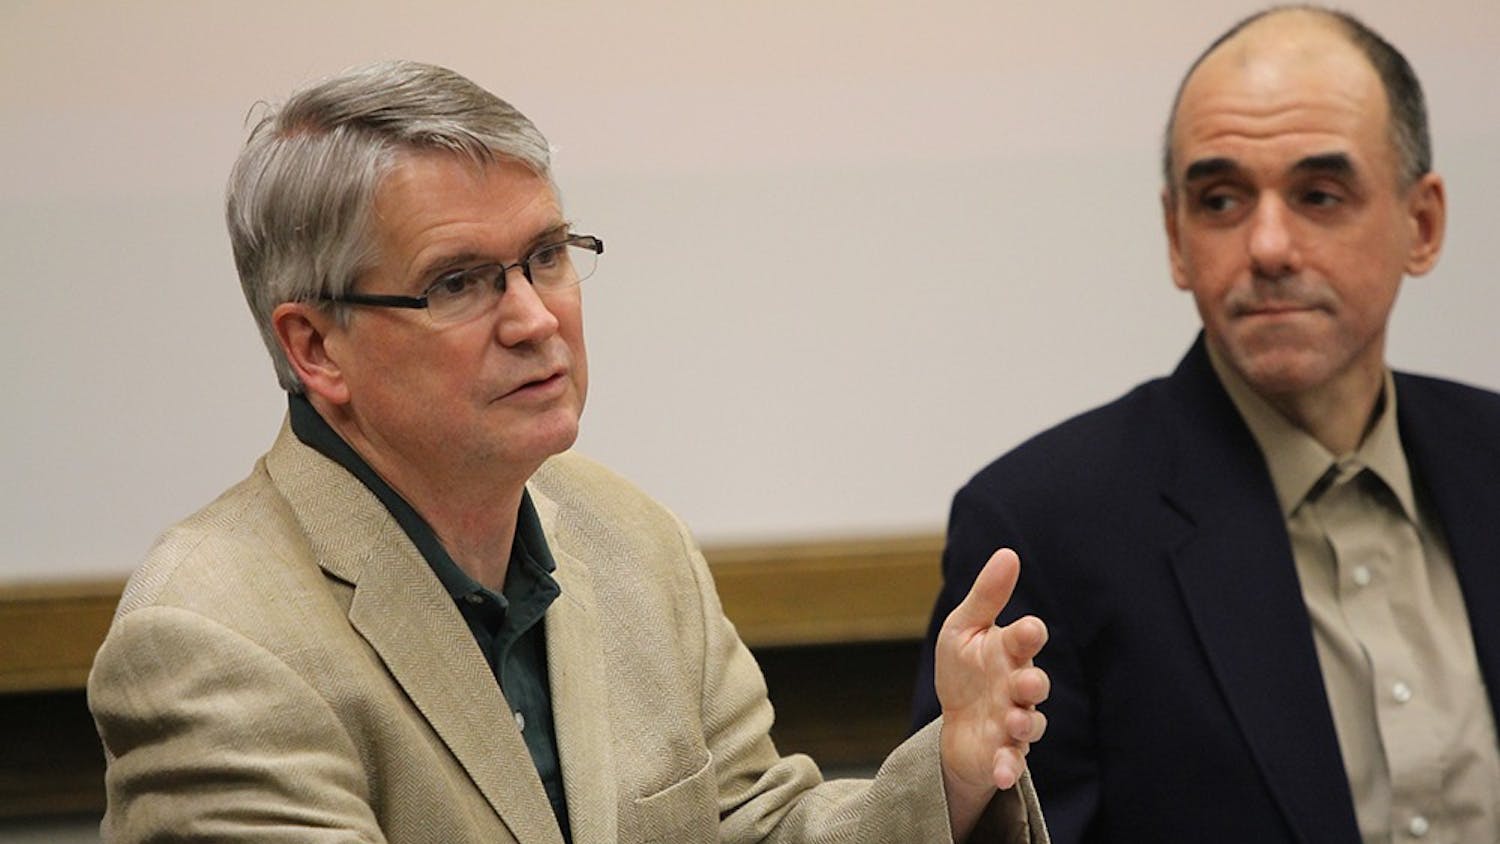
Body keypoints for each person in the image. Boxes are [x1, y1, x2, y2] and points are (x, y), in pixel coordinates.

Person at [87, 60, 1050, 843]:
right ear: (316, 347)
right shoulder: (209, 635)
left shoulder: (629, 537)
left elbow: (756, 827)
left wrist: (952, 782)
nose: (536, 317)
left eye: (547, 255)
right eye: (459, 282)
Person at [911, 6, 1500, 844]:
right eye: (1220, 199)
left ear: (1423, 224)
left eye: (1319, 195)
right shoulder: (1046, 524)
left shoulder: (1488, 457)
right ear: (1176, 239)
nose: (1267, 245)